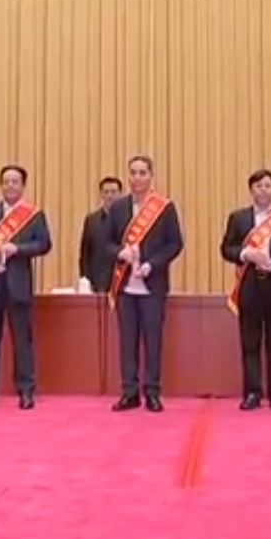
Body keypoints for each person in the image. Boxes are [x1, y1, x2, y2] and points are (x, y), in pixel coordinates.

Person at [0, 165, 53, 410]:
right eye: (6, 181)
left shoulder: (33, 215)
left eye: (15, 182)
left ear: (23, 185)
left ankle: (26, 390)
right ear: (1, 185)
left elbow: (44, 244)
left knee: (22, 341)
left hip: (19, 285)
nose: (10, 186)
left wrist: (18, 249)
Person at [106, 155, 184, 412]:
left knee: (153, 340)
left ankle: (152, 391)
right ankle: (129, 392)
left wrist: (153, 264)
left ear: (151, 176)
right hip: (124, 286)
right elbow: (105, 243)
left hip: (152, 285)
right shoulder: (118, 208)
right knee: (127, 341)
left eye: (142, 173)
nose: (137, 178)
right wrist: (120, 253)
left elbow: (175, 244)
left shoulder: (164, 208)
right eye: (133, 173)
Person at [218, 169, 271, 412]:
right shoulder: (238, 218)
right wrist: (246, 254)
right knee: (250, 343)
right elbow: (227, 248)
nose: (263, 190)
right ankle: (252, 392)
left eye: (267, 186)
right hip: (250, 287)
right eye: (258, 186)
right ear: (251, 190)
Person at [77, 176, 124, 292]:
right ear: (101, 194)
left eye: (113, 192)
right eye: (106, 192)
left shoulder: (128, 218)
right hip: (97, 281)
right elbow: (85, 252)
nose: (109, 196)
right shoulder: (91, 220)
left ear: (120, 194)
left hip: (122, 280)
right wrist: (85, 279)